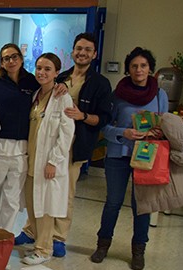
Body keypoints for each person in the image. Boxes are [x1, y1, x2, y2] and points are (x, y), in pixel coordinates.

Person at [16, 33, 112, 257]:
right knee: (37, 192)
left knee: (60, 195)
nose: (82, 53)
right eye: (79, 48)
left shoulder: (99, 83)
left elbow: (103, 118)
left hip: (73, 147)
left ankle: (56, 238)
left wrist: (83, 115)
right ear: (73, 51)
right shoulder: (62, 79)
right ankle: (33, 231)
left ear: (94, 54)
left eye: (88, 49)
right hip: (42, 146)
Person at [91, 47, 168, 270]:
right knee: (113, 203)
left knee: (141, 205)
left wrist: (156, 132)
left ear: (150, 69)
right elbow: (105, 127)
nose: (139, 70)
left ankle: (138, 250)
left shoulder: (159, 95)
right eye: (134, 66)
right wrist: (123, 133)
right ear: (128, 70)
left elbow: (163, 125)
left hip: (146, 156)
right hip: (118, 155)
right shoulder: (117, 95)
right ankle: (103, 245)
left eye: (143, 65)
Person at [18, 53, 75, 265]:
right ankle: (35, 240)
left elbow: (66, 133)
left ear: (57, 73)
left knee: (45, 208)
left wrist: (54, 161)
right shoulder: (35, 95)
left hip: (48, 163)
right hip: (32, 161)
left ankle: (44, 250)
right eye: (39, 68)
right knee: (33, 205)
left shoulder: (62, 98)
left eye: (47, 69)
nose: (42, 72)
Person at [0, 43, 38, 232]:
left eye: (14, 57)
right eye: (6, 58)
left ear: (21, 59)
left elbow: (50, 90)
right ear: (1, 63)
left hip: (21, 148)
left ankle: (4, 236)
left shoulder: (32, 82)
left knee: (12, 199)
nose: (11, 61)